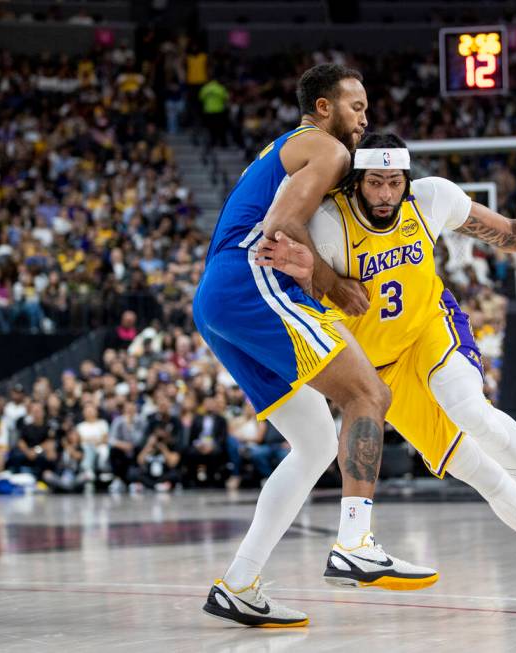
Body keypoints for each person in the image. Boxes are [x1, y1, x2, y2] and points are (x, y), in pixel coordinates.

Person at [257, 132, 516, 611]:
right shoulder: (329, 225)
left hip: (432, 328)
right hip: (381, 369)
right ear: (357, 181)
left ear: (406, 180)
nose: (384, 194)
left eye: (394, 182)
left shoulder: (432, 197)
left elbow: (512, 233)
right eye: (374, 182)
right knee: (478, 473)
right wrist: (320, 279)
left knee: (468, 407)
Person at [194, 65, 436, 628]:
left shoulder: (287, 146)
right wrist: (333, 283)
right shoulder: (327, 149)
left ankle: (240, 582)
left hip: (220, 297)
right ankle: (355, 541)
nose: (366, 118)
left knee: (313, 442)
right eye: (357, 107)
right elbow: (280, 223)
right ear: (324, 108)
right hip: (251, 281)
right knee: (369, 394)